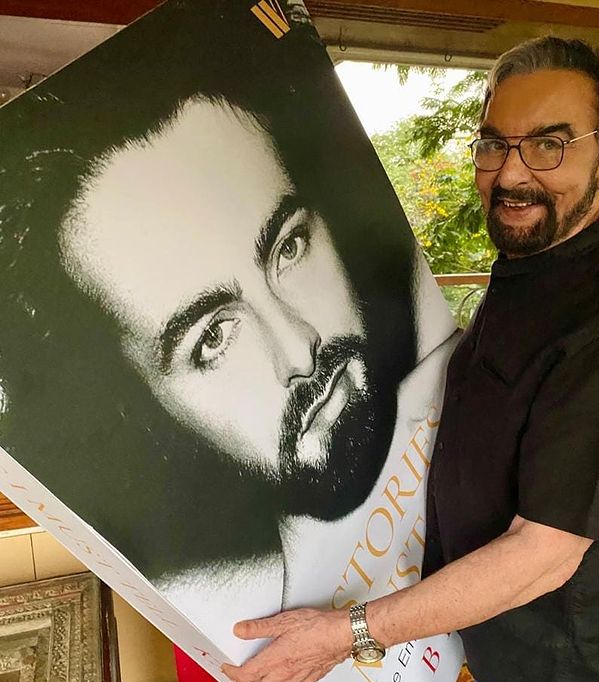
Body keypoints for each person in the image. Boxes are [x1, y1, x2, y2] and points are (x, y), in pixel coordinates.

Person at [224, 36, 599, 682]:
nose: (511, 174)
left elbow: (542, 556)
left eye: (549, 145)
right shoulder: (534, 260)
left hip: (548, 661)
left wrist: (347, 634)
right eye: (494, 144)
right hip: (489, 628)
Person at [0, 0, 453, 645]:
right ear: (138, 403)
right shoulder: (215, 607)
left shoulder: (456, 382)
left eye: (288, 248)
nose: (300, 350)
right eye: (212, 336)